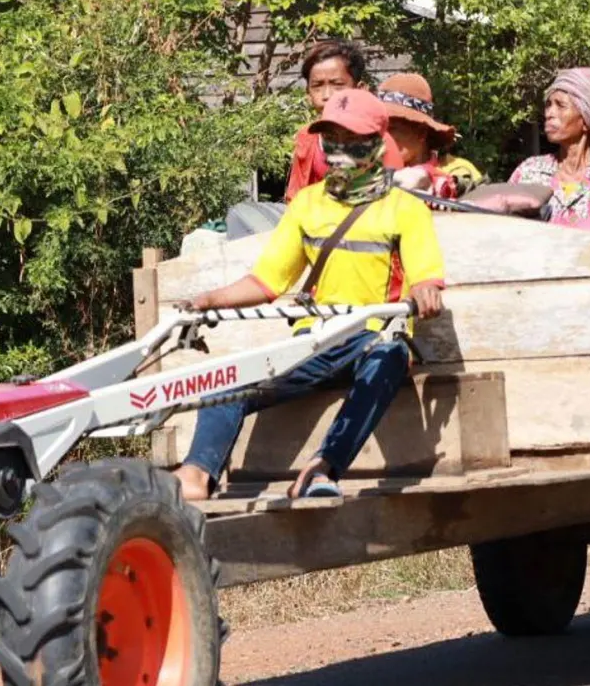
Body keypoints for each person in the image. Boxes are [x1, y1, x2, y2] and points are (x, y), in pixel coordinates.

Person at [173, 90, 446, 501]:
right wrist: (208, 300)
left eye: (351, 140)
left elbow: (425, 277)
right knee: (228, 378)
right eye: (330, 139)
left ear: (375, 143)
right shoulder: (307, 205)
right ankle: (196, 474)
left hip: (372, 337)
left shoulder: (404, 210)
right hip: (315, 340)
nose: (339, 151)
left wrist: (426, 291)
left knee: (388, 358)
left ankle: (324, 468)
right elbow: (267, 283)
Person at [507, 68, 590, 225]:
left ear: (586, 120)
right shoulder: (529, 172)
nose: (549, 113)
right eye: (548, 105)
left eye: (560, 105)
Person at [285, 40, 372, 202]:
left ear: (360, 89)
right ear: (308, 93)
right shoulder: (307, 137)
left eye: (337, 84)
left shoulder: (377, 136)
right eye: (317, 86)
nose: (327, 95)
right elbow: (295, 198)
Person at [378, 73, 486, 199]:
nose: (382, 138)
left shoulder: (458, 171)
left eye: (391, 129)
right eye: (378, 129)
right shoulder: (371, 174)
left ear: (421, 133)